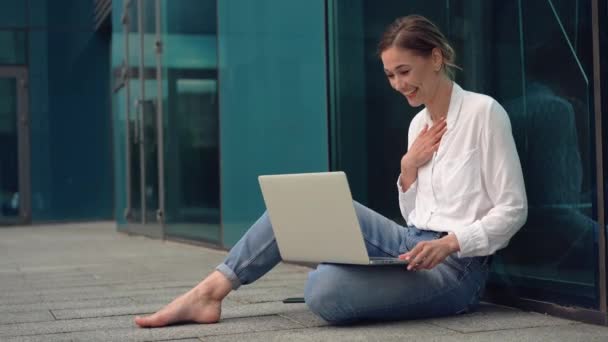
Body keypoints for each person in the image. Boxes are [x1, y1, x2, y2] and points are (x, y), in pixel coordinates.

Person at [134, 14, 527, 327]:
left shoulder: (483, 113)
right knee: (296, 210)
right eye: (390, 75)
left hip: (457, 270)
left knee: (323, 288)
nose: (397, 84)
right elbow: (415, 216)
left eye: (404, 71)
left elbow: (512, 210)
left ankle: (342, 275)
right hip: (410, 241)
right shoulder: (417, 126)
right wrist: (408, 170)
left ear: (437, 58)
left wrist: (450, 243)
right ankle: (209, 291)